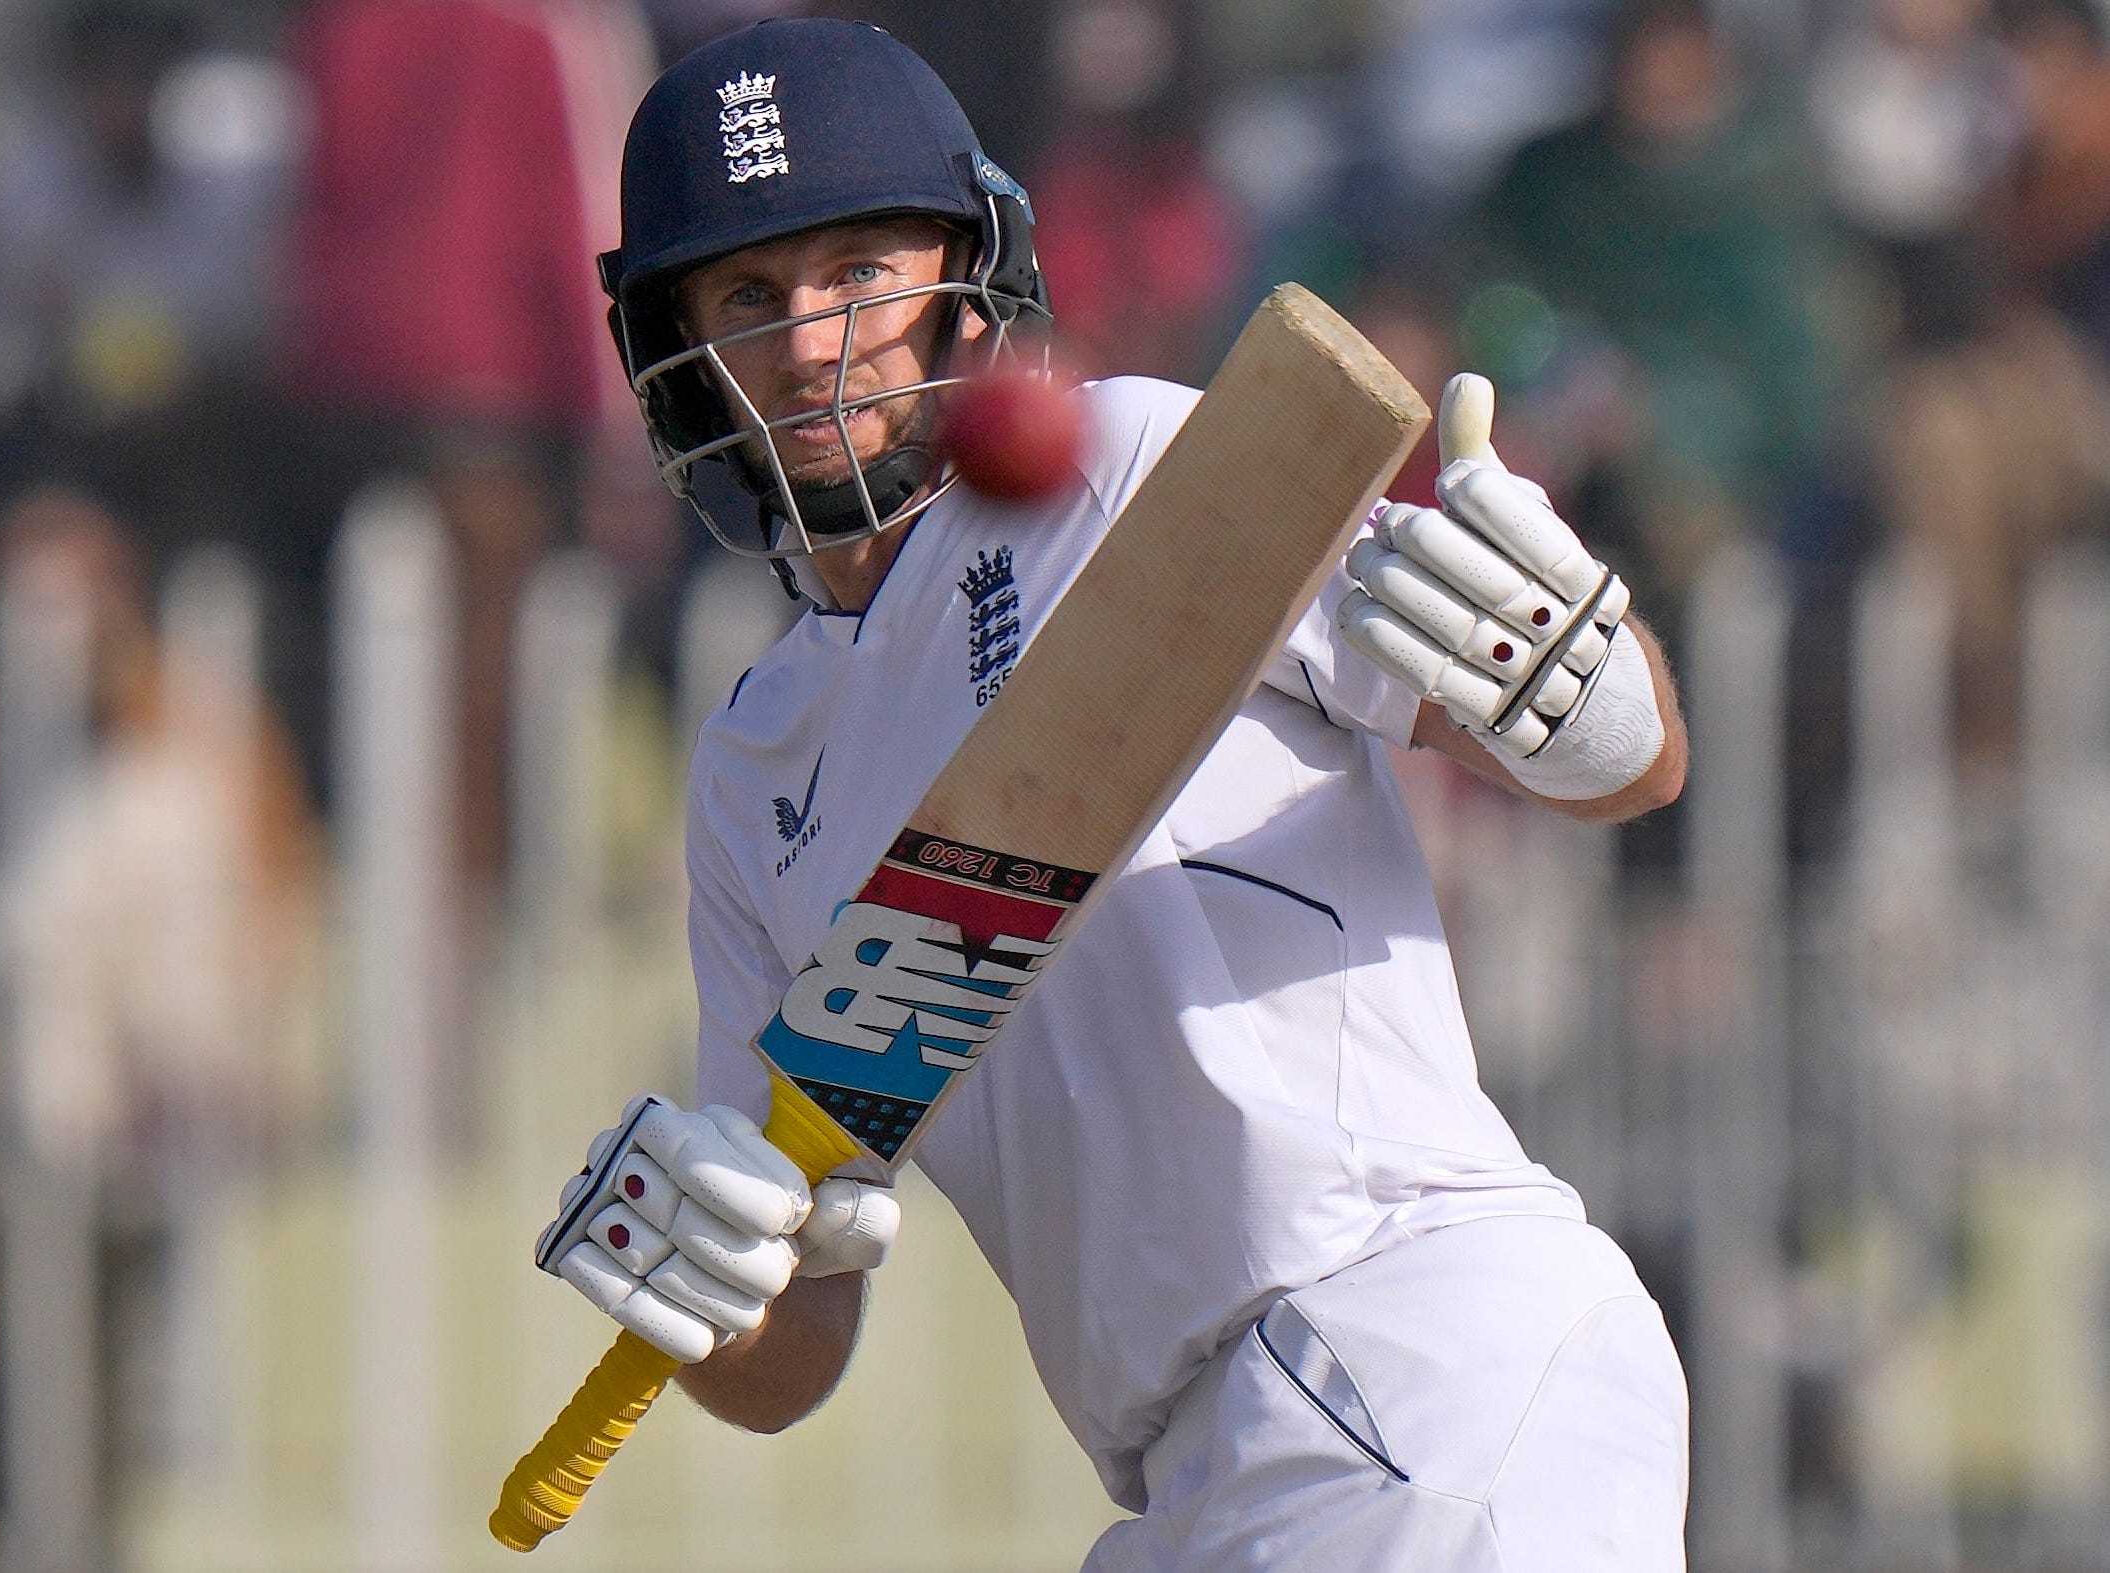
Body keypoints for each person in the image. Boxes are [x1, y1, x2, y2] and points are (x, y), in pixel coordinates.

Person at [537, 19, 1691, 1570]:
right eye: (752, 296)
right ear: (680, 349)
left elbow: (1626, 764)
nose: (812, 344)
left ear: (966, 270)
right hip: (1193, 1470)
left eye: (860, 271)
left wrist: (1583, 682)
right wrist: (687, 1278)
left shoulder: (1141, 469)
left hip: (1415, 1342)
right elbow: (792, 1346)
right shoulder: (757, 771)